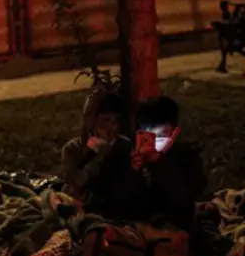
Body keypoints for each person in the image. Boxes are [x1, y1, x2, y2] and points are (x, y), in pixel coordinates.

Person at [84, 96, 207, 229]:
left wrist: (158, 163)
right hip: (131, 231)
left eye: (159, 136)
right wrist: (133, 173)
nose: (153, 142)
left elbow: (185, 203)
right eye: (147, 135)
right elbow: (105, 202)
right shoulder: (123, 154)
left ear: (174, 133)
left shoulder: (186, 158)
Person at [61, 90, 129, 199]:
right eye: (106, 120)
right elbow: (74, 184)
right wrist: (97, 158)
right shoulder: (73, 149)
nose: (112, 126)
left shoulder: (124, 145)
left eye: (116, 120)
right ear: (92, 121)